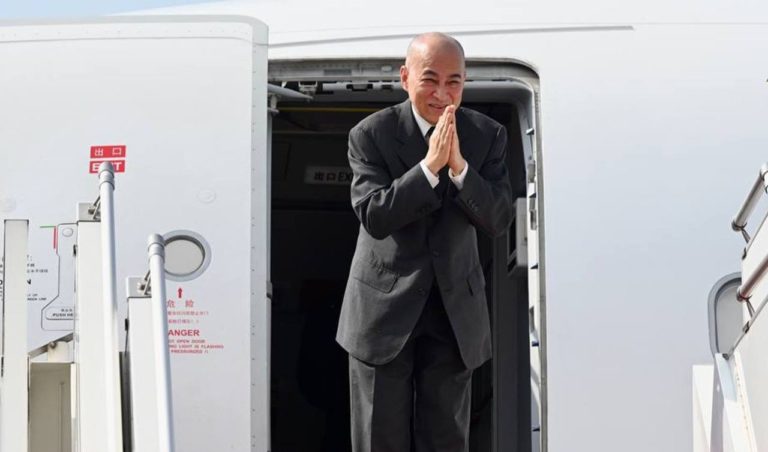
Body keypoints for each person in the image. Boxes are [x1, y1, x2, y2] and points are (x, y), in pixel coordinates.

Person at [336, 32, 514, 452]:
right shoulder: (370, 134)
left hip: (454, 311)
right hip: (383, 310)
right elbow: (375, 215)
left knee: (446, 438)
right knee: (380, 438)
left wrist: (460, 169)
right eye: (430, 79)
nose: (442, 93)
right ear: (405, 77)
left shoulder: (487, 135)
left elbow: (498, 219)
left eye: (454, 82)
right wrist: (430, 167)